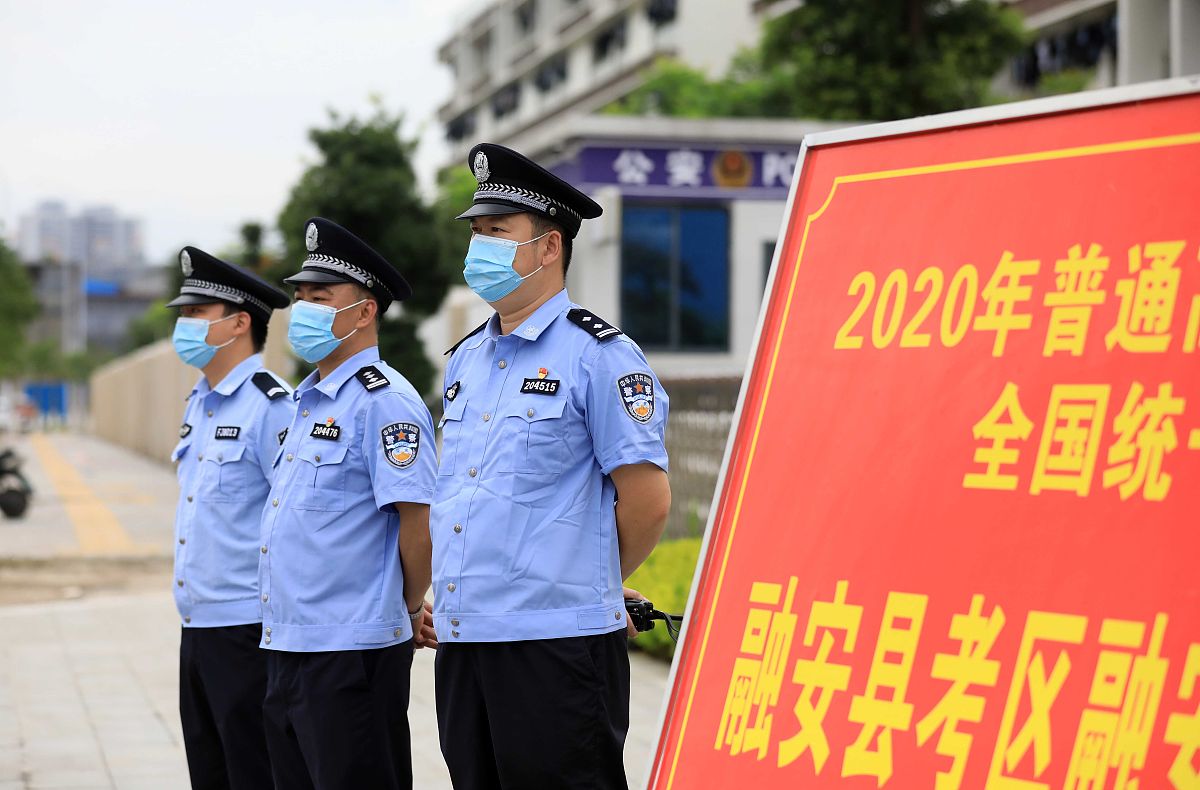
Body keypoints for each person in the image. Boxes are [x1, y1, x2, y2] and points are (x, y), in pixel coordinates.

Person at [432, 143, 672, 788]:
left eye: (498, 232)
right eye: (477, 231)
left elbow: (647, 500)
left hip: (554, 645)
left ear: (548, 248)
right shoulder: (466, 361)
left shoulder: (601, 357)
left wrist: (589, 580)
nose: (480, 246)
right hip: (467, 638)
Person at [258, 217, 437, 790]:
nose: (303, 308)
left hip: (351, 651)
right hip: (289, 642)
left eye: (320, 297)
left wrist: (406, 609)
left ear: (364, 313)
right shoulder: (305, 403)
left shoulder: (385, 404)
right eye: (300, 296)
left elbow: (418, 522)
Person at [167, 246, 293, 790]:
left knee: (254, 772)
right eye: (183, 313)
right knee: (209, 773)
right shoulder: (199, 402)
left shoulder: (272, 407)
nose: (183, 324)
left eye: (197, 313)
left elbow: (293, 520)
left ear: (240, 323)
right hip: (197, 626)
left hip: (247, 630)